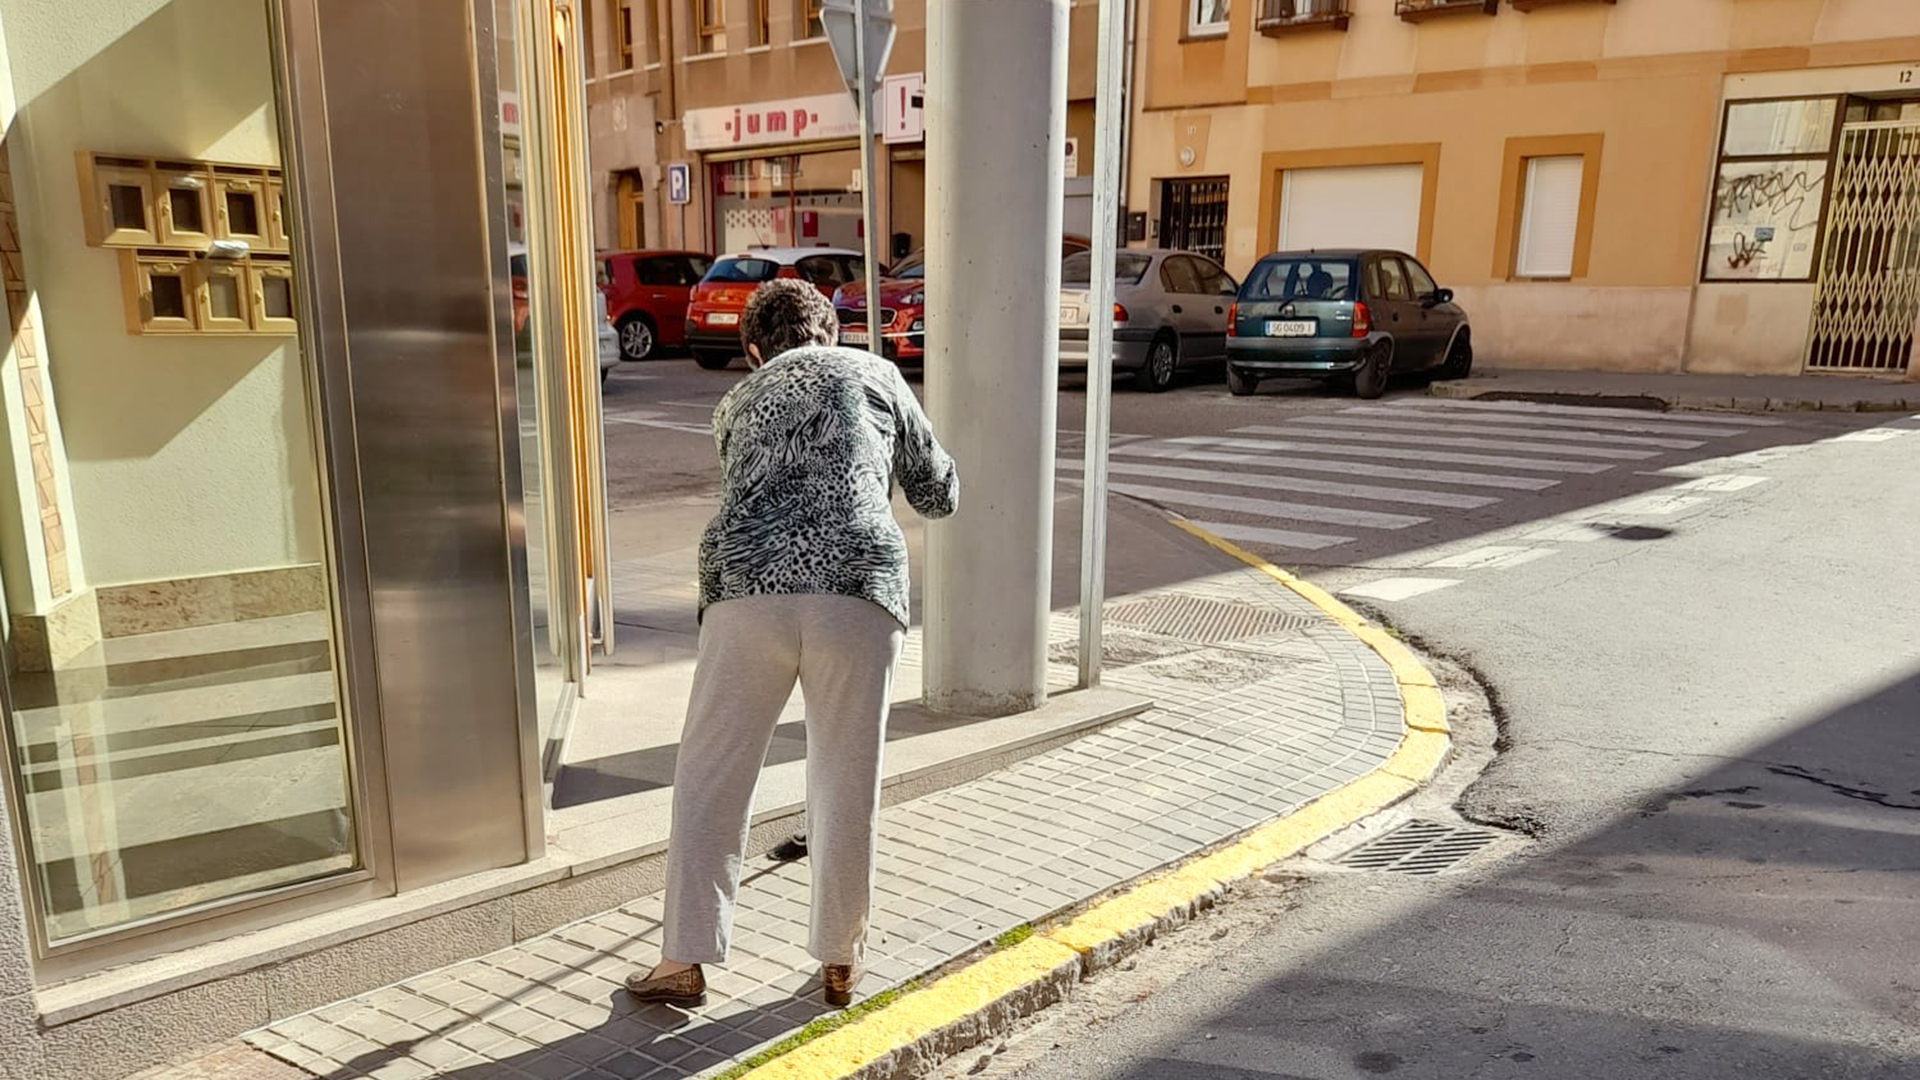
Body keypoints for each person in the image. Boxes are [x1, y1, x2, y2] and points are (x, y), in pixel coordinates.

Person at [626, 278, 959, 1009]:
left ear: (753, 350)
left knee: (712, 773)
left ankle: (683, 959)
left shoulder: (734, 402)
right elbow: (937, 493)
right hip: (856, 589)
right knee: (845, 776)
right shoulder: (876, 372)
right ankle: (841, 960)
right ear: (830, 332)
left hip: (746, 590)